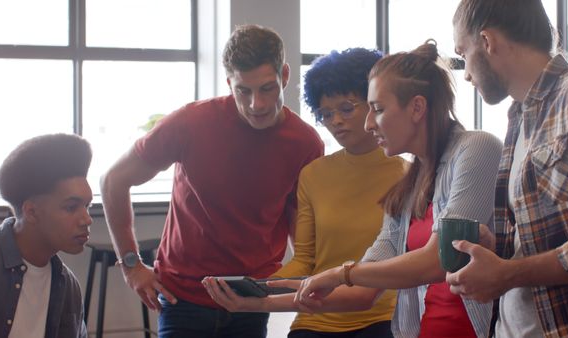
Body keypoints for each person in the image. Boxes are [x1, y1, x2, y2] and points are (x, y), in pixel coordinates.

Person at [208, 40, 502, 338]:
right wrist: (259, 301)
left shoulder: (476, 147)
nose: (370, 123)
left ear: (416, 107)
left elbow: (439, 260)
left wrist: (341, 273)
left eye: (377, 109)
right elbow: (364, 284)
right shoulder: (409, 185)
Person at [100, 24, 323, 338]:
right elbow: (113, 180)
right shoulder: (190, 123)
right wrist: (131, 265)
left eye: (267, 88)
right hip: (183, 299)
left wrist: (306, 283)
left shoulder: (305, 143)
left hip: (251, 298)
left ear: (285, 75)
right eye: (243, 90)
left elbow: (298, 220)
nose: (255, 104)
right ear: (229, 81)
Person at [446, 0, 568, 337]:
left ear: (487, 42)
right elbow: (543, 237)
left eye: (463, 53)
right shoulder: (518, 118)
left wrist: (510, 272)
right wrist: (498, 248)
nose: (467, 73)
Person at [204, 47, 405, 337]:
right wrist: (257, 287)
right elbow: (305, 260)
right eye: (325, 113)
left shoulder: (406, 176)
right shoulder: (314, 174)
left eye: (346, 108)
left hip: (381, 319)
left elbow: (392, 274)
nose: (335, 120)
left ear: (374, 104)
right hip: (315, 316)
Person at [0, 133, 92, 338]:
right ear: (32, 211)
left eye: (87, 206)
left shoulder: (68, 286)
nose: (87, 219)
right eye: (71, 207)